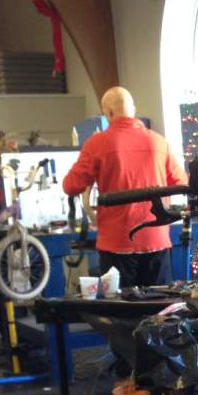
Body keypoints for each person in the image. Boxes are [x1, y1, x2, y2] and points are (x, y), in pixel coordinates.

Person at [63, 87, 185, 288]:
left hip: (116, 243)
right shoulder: (158, 142)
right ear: (134, 109)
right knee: (160, 310)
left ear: (107, 112)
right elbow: (182, 182)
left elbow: (71, 185)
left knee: (120, 311)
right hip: (156, 240)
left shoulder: (97, 144)